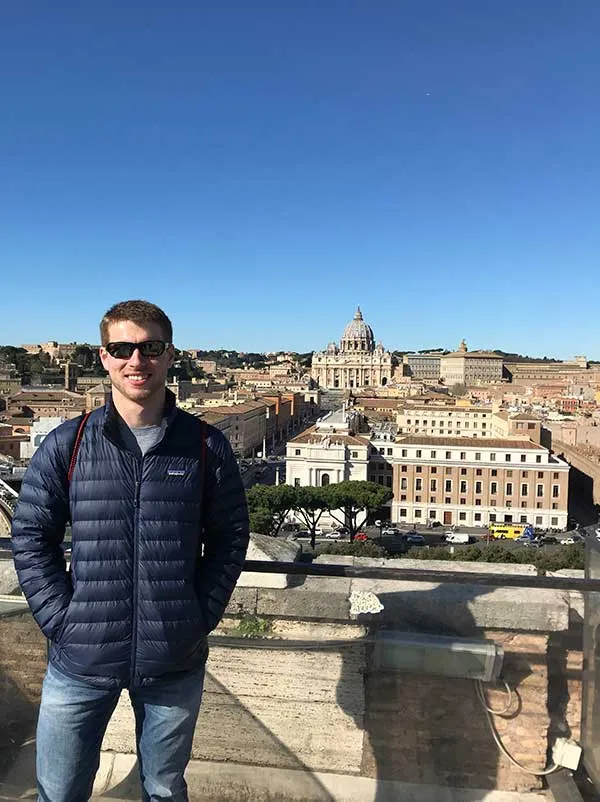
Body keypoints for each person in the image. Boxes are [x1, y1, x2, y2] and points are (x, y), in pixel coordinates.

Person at [11, 299, 250, 802]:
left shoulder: (206, 446)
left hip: (173, 658)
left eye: (150, 348)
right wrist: (62, 619)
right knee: (57, 791)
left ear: (169, 356)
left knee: (164, 790)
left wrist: (196, 616)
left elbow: (230, 537)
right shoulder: (66, 444)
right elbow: (32, 536)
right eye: (122, 348)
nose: (136, 360)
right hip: (78, 658)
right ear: (103, 357)